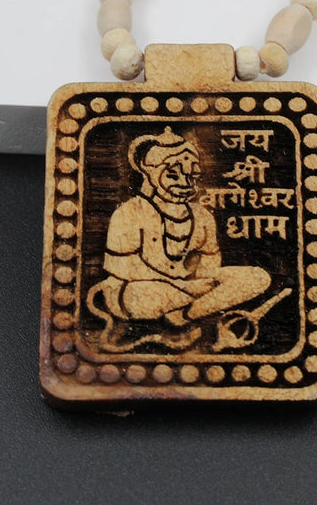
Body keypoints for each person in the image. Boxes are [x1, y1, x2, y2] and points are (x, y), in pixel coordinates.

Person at [87, 127, 271, 349]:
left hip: (187, 288)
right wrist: (182, 286)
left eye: (191, 176)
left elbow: (210, 258)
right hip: (140, 289)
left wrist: (203, 281)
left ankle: (184, 315)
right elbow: (123, 269)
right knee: (143, 297)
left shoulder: (201, 216)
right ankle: (199, 308)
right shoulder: (129, 212)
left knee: (258, 278)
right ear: (149, 173)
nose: (185, 183)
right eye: (173, 175)